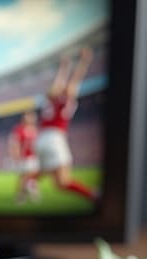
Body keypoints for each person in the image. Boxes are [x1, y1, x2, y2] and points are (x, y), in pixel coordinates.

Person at [34, 47, 96, 201]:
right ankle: (94, 195)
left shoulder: (49, 100)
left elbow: (58, 82)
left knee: (55, 180)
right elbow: (75, 79)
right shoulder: (65, 99)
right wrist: (84, 61)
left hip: (41, 139)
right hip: (55, 138)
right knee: (63, 181)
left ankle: (29, 184)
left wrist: (64, 66)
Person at [9, 110, 40, 204]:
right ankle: (21, 195)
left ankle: (32, 193)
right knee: (24, 176)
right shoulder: (19, 129)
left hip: (34, 157)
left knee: (32, 176)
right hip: (24, 157)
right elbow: (15, 143)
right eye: (28, 116)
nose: (30, 118)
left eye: (31, 116)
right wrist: (16, 155)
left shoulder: (34, 129)